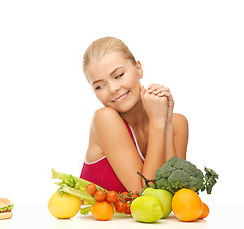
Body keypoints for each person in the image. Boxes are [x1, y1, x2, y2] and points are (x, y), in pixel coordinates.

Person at [80, 37, 188, 194]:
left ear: (138, 68)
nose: (113, 89)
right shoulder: (105, 119)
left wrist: (166, 124)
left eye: (118, 75)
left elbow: (177, 195)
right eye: (99, 86)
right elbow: (144, 194)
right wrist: (158, 123)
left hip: (146, 220)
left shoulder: (178, 123)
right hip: (88, 219)